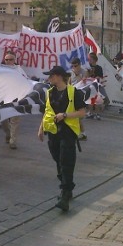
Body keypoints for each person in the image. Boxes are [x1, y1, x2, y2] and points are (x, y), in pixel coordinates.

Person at [37, 65, 87, 212]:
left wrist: (65, 115)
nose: (49, 78)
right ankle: (67, 187)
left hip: (68, 132)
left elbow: (82, 112)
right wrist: (41, 128)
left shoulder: (73, 92)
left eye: (51, 76)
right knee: (58, 160)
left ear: (59, 76)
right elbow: (47, 111)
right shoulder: (50, 93)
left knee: (66, 161)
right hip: (53, 132)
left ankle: (65, 194)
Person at [1, 51, 26, 149]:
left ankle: (13, 140)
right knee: (3, 121)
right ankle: (8, 133)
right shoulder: (1, 69)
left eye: (10, 59)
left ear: (14, 60)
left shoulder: (19, 70)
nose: (8, 61)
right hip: (4, 99)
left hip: (17, 98)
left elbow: (25, 82)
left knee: (15, 121)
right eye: (6, 59)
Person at [69, 57, 89, 141]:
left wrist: (81, 77)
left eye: (76, 66)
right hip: (72, 95)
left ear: (79, 65)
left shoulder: (84, 72)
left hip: (81, 96)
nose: (74, 68)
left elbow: (87, 84)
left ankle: (81, 133)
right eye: (72, 66)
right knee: (75, 116)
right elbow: (69, 84)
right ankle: (81, 133)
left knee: (78, 116)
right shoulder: (71, 73)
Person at [85, 53, 105, 120]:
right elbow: (86, 76)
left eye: (90, 59)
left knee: (97, 100)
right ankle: (90, 112)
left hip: (96, 85)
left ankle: (97, 113)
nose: (89, 60)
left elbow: (100, 76)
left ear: (94, 60)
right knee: (90, 100)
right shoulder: (88, 67)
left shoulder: (99, 68)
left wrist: (96, 78)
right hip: (89, 85)